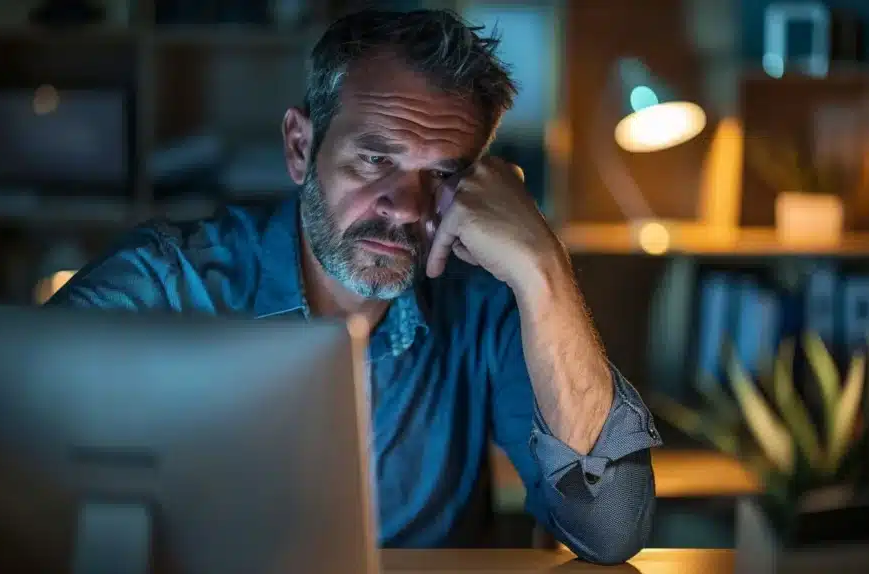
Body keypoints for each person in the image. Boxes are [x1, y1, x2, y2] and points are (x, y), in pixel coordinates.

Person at [47, 9, 661, 565]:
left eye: (443, 174)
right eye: (375, 160)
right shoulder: (167, 281)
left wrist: (542, 265)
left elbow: (609, 530)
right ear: (299, 147)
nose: (404, 207)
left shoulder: (487, 305)